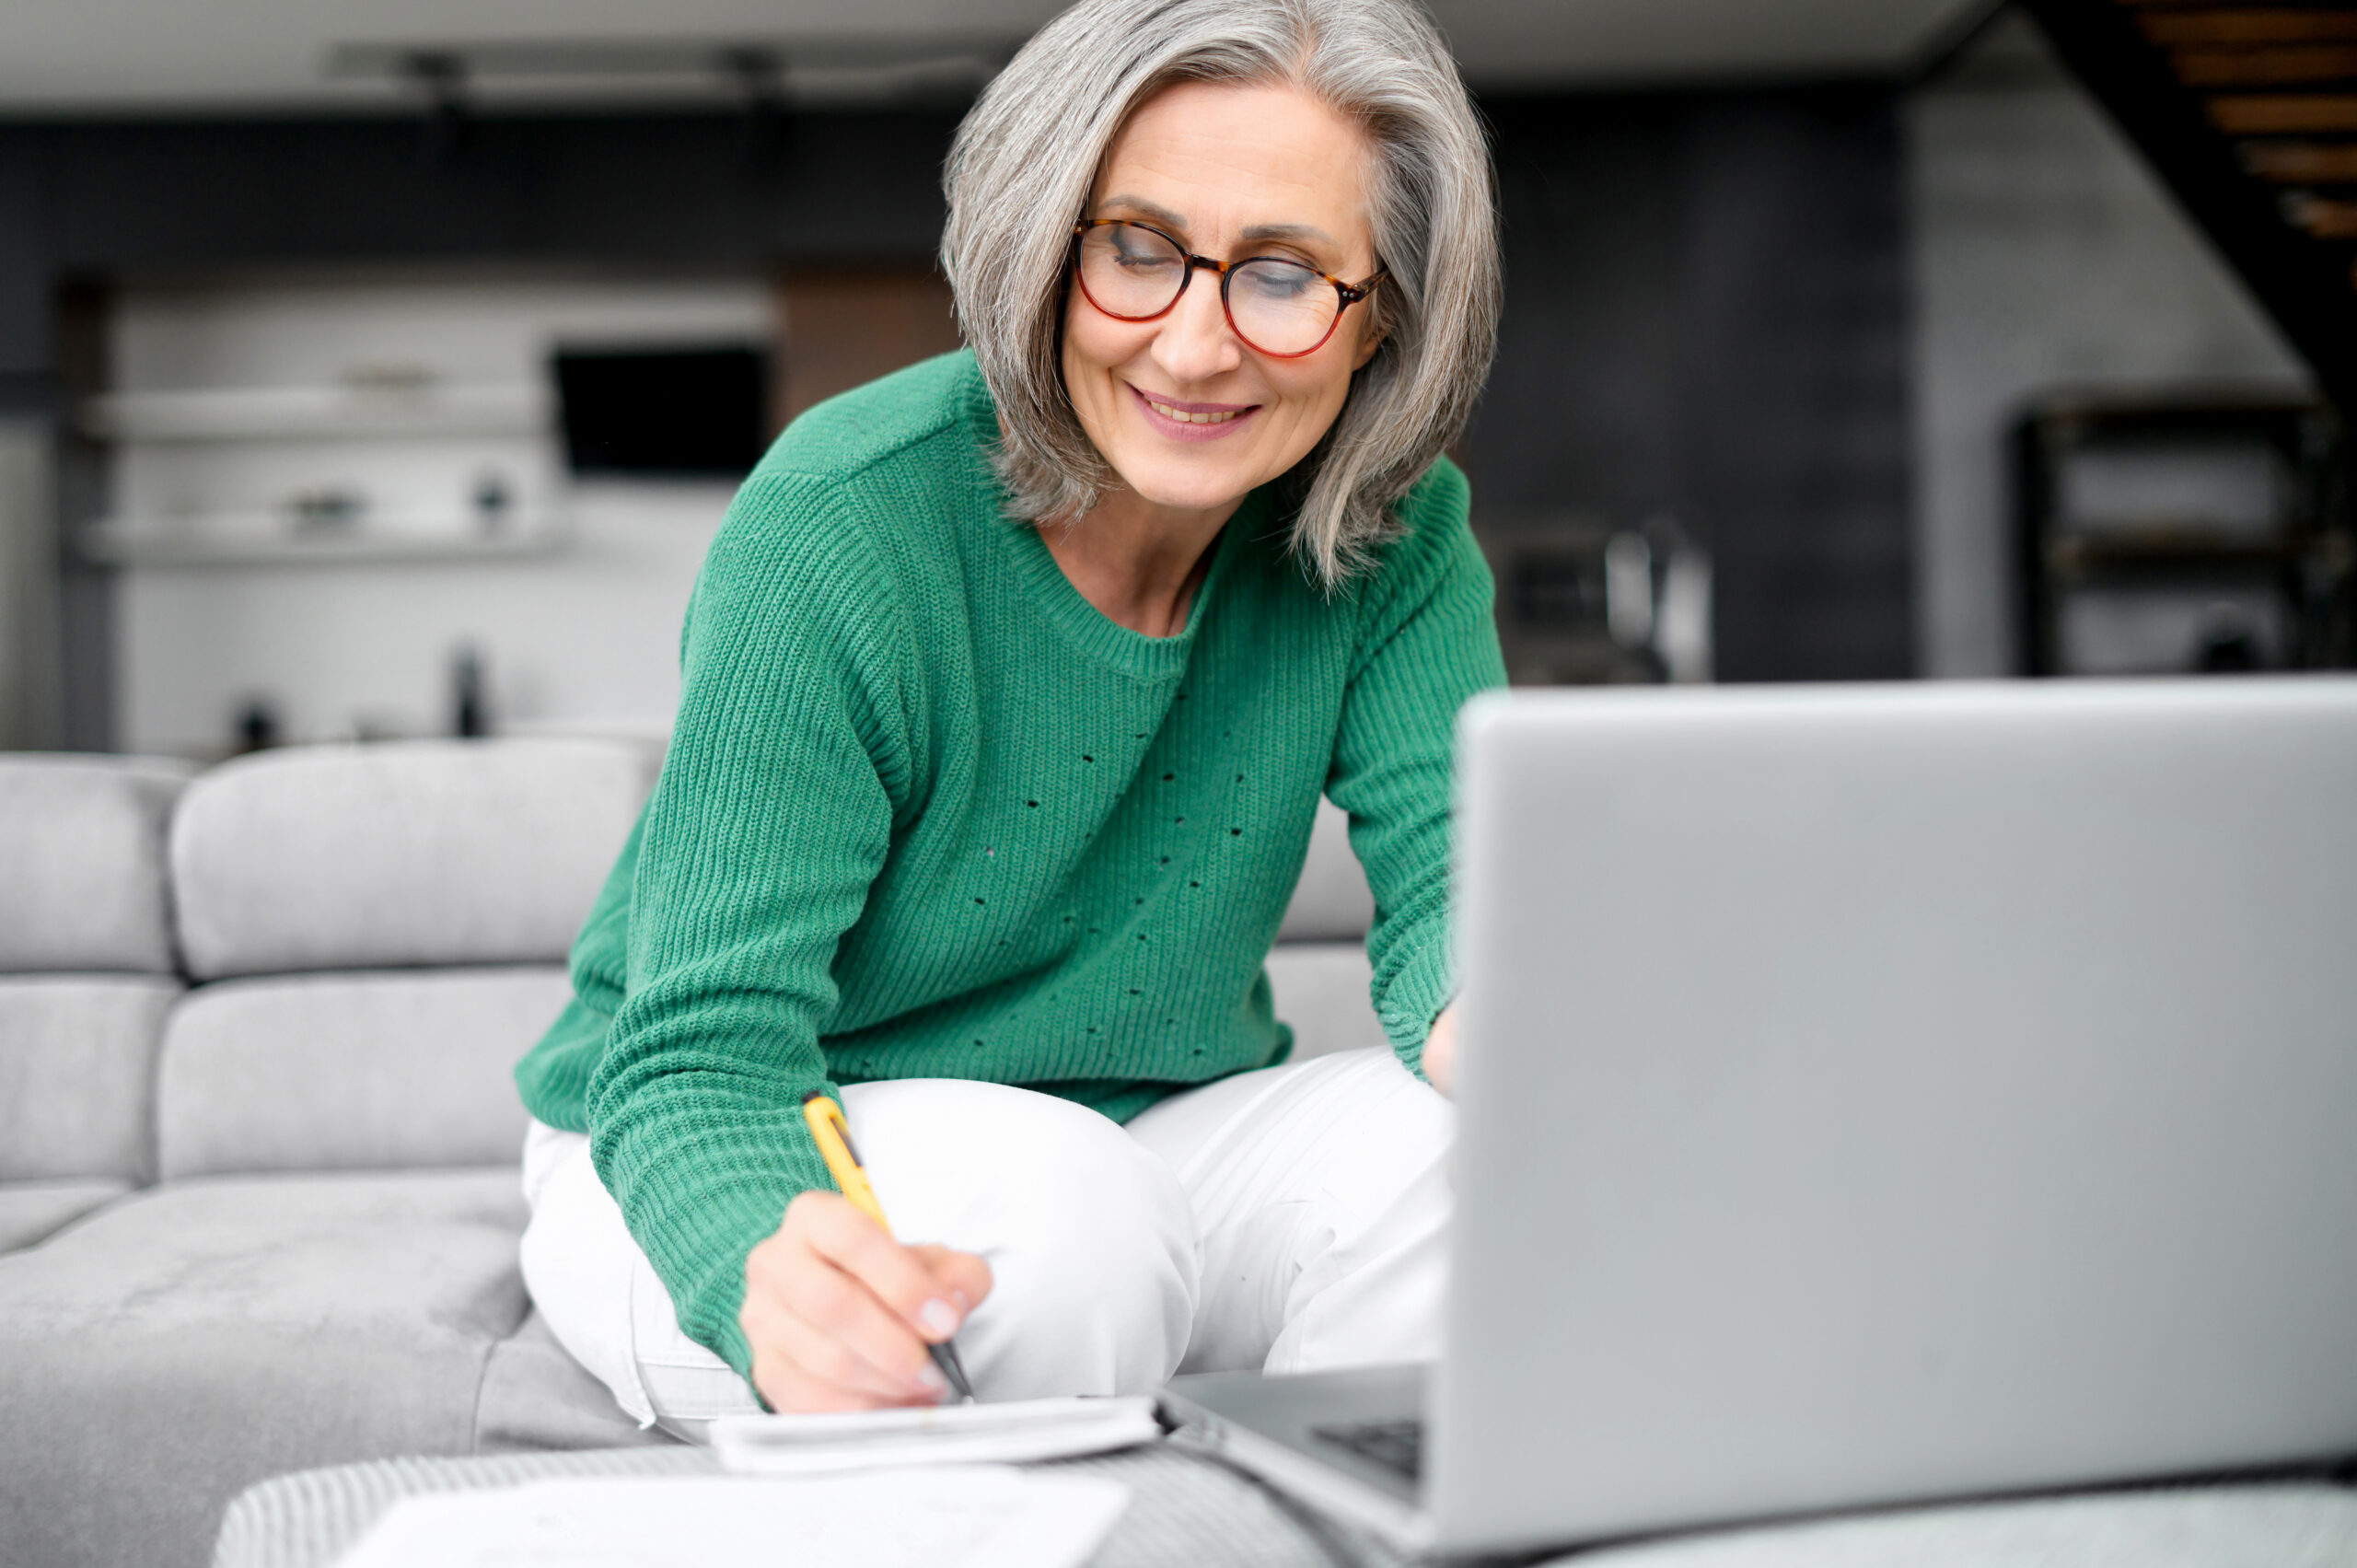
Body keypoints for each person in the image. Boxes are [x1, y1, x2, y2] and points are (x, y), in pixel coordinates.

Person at [512, 0, 1504, 1437]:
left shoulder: (1390, 536)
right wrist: (759, 1264)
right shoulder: (847, 520)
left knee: (1467, 1139)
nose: (1197, 347)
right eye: (1138, 251)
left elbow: (1465, 878)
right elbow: (701, 1058)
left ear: (1384, 318)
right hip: (735, 1138)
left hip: (1147, 1133)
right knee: (1066, 1221)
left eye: (1283, 275)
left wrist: (1515, 1028)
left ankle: (1330, 1530)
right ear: (1046, 249)